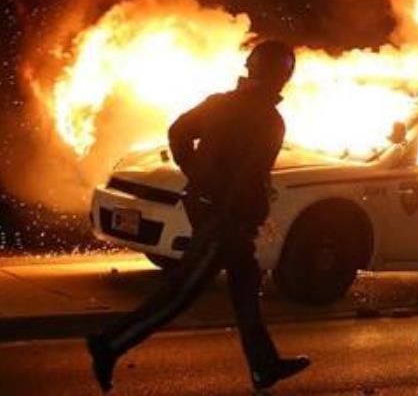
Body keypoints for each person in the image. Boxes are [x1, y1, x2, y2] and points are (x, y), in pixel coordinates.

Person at [85, 41, 310, 394]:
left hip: (214, 210)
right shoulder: (268, 119)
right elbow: (249, 178)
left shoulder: (220, 103)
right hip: (226, 220)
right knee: (182, 292)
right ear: (280, 75)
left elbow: (178, 133)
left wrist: (197, 176)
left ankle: (264, 365)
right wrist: (239, 211)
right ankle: (109, 344)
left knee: (245, 287)